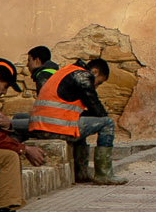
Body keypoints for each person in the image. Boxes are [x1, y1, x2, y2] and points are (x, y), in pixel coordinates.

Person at [29, 54, 124, 183]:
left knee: (80, 125)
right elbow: (96, 107)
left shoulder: (68, 71)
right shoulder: (83, 76)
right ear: (94, 72)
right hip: (55, 127)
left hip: (42, 125)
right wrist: (101, 115)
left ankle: (81, 174)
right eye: (98, 83)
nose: (96, 86)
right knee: (107, 123)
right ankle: (104, 174)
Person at [0, 60, 47, 212]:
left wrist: (7, 124)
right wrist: (24, 149)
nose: (4, 92)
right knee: (8, 157)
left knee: (10, 154)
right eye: (5, 86)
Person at [8, 47, 55, 138]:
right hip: (52, 119)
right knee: (18, 117)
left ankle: (16, 150)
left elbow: (45, 108)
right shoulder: (52, 72)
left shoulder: (43, 77)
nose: (27, 65)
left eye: (29, 60)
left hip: (50, 123)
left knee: (11, 125)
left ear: (37, 61)